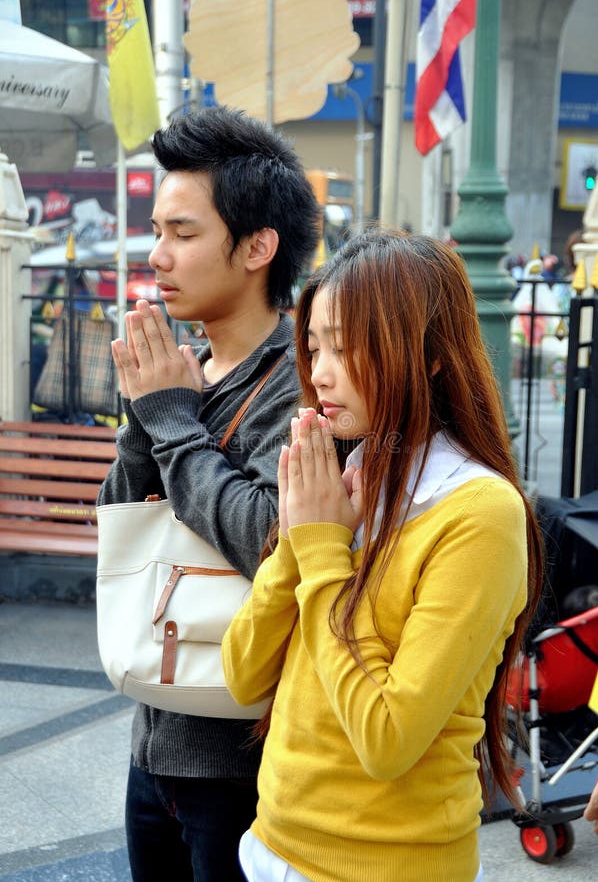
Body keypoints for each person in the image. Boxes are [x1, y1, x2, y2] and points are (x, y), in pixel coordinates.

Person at [222, 229, 544, 882]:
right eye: (314, 346)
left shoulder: (479, 512)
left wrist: (318, 551)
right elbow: (243, 675)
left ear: (427, 355)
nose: (320, 372)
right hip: (271, 847)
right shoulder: (346, 478)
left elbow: (387, 737)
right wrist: (297, 539)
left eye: (346, 345)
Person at [97, 105, 320, 881]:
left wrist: (170, 420)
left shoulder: (303, 381)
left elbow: (271, 539)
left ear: (260, 246)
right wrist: (145, 417)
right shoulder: (187, 367)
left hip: (242, 758)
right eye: (157, 231)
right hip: (154, 731)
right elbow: (122, 527)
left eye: (184, 234)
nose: (158, 256)